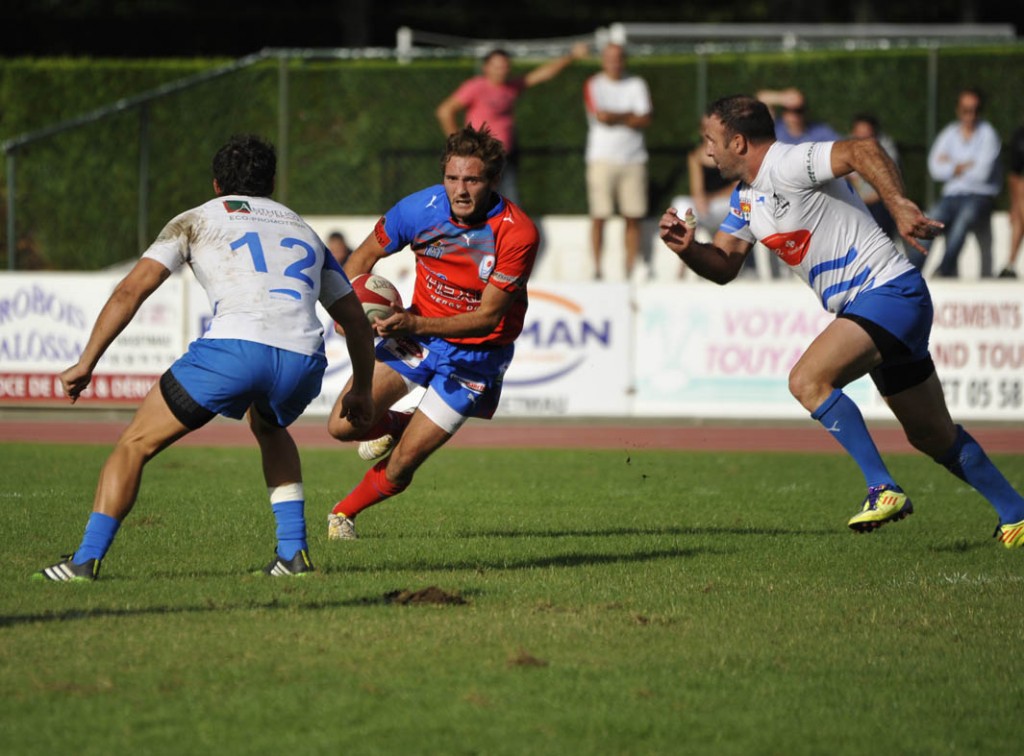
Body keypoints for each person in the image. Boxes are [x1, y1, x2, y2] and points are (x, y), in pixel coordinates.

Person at [660, 95, 1024, 548]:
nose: (707, 151)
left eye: (710, 140)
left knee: (807, 380)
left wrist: (898, 205)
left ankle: (883, 487)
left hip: (888, 293)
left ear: (737, 141)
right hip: (880, 304)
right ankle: (1016, 512)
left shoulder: (788, 162)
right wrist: (687, 248)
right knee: (932, 435)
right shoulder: (746, 200)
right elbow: (724, 266)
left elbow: (861, 150)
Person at [35, 135, 377, 581]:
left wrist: (86, 363)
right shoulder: (302, 228)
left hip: (234, 349)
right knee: (271, 428)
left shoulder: (196, 219)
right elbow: (354, 318)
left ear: (217, 185)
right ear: (272, 182)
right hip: (302, 358)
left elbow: (130, 290)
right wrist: (363, 388)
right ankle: (293, 555)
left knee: (134, 444)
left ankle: (84, 561)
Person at [323, 125, 539, 541]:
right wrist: (346, 309)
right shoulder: (419, 208)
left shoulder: (517, 232)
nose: (460, 190)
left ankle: (343, 514)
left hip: (477, 355)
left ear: (493, 182)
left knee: (405, 461)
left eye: (472, 180)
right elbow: (364, 256)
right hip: (416, 338)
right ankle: (395, 423)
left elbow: (488, 317)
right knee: (341, 427)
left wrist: (412, 322)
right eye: (453, 178)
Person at [435, 42, 589, 205]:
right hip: (480, 158)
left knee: (507, 204)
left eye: (505, 66)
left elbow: (542, 74)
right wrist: (460, 145)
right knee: (477, 202)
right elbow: (445, 111)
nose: (502, 70)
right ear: (486, 67)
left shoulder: (511, 87)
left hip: (504, 157)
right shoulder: (476, 87)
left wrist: (571, 56)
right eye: (497, 66)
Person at [906, 87, 1002, 278]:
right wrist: (964, 166)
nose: (971, 115)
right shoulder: (949, 134)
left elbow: (982, 174)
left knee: (963, 220)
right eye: (966, 110)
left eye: (975, 110)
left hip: (979, 196)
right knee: (929, 221)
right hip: (951, 195)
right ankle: (910, 273)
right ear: (958, 110)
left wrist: (950, 166)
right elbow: (934, 167)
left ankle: (945, 270)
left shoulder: (988, 134)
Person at [584, 42, 653, 280]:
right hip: (601, 158)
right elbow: (602, 117)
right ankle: (596, 269)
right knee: (599, 216)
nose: (614, 62)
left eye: (618, 57)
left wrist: (617, 115)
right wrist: (629, 114)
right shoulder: (594, 84)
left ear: (624, 60)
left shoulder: (637, 84)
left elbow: (644, 119)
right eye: (609, 57)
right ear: (603, 60)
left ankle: (630, 269)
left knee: (633, 217)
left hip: (634, 158)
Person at [847, 113, 900, 243]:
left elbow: (888, 181)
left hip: (878, 202)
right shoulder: (844, 147)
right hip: (854, 201)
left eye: (867, 136)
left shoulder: (886, 149)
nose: (863, 140)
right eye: (859, 136)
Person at [1001, 122, 1024, 279]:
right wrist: (1014, 205)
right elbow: (1014, 175)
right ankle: (1010, 264)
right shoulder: (1020, 136)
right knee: (1018, 211)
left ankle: (1011, 263)